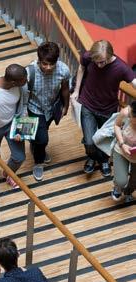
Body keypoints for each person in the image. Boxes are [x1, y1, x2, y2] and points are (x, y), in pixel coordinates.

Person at [72, 40, 136, 176]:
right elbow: (81, 68)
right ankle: (93, 157)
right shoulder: (88, 56)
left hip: (108, 109)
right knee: (89, 142)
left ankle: (103, 160)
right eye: (97, 62)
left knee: (104, 138)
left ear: (110, 55)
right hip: (87, 104)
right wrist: (77, 90)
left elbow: (134, 83)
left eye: (103, 62)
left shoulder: (121, 67)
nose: (99, 65)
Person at [26, 42, 70, 181]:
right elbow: (22, 94)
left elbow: (65, 89)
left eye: (52, 64)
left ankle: (35, 145)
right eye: (45, 64)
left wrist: (66, 106)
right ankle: (38, 163)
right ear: (39, 60)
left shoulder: (63, 70)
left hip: (52, 108)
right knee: (43, 138)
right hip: (34, 108)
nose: (48, 67)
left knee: (41, 134)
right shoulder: (29, 71)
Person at [111, 101, 136, 202]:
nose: (131, 120)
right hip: (121, 150)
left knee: (134, 182)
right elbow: (116, 125)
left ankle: (128, 192)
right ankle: (118, 187)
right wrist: (122, 144)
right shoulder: (126, 112)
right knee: (121, 181)